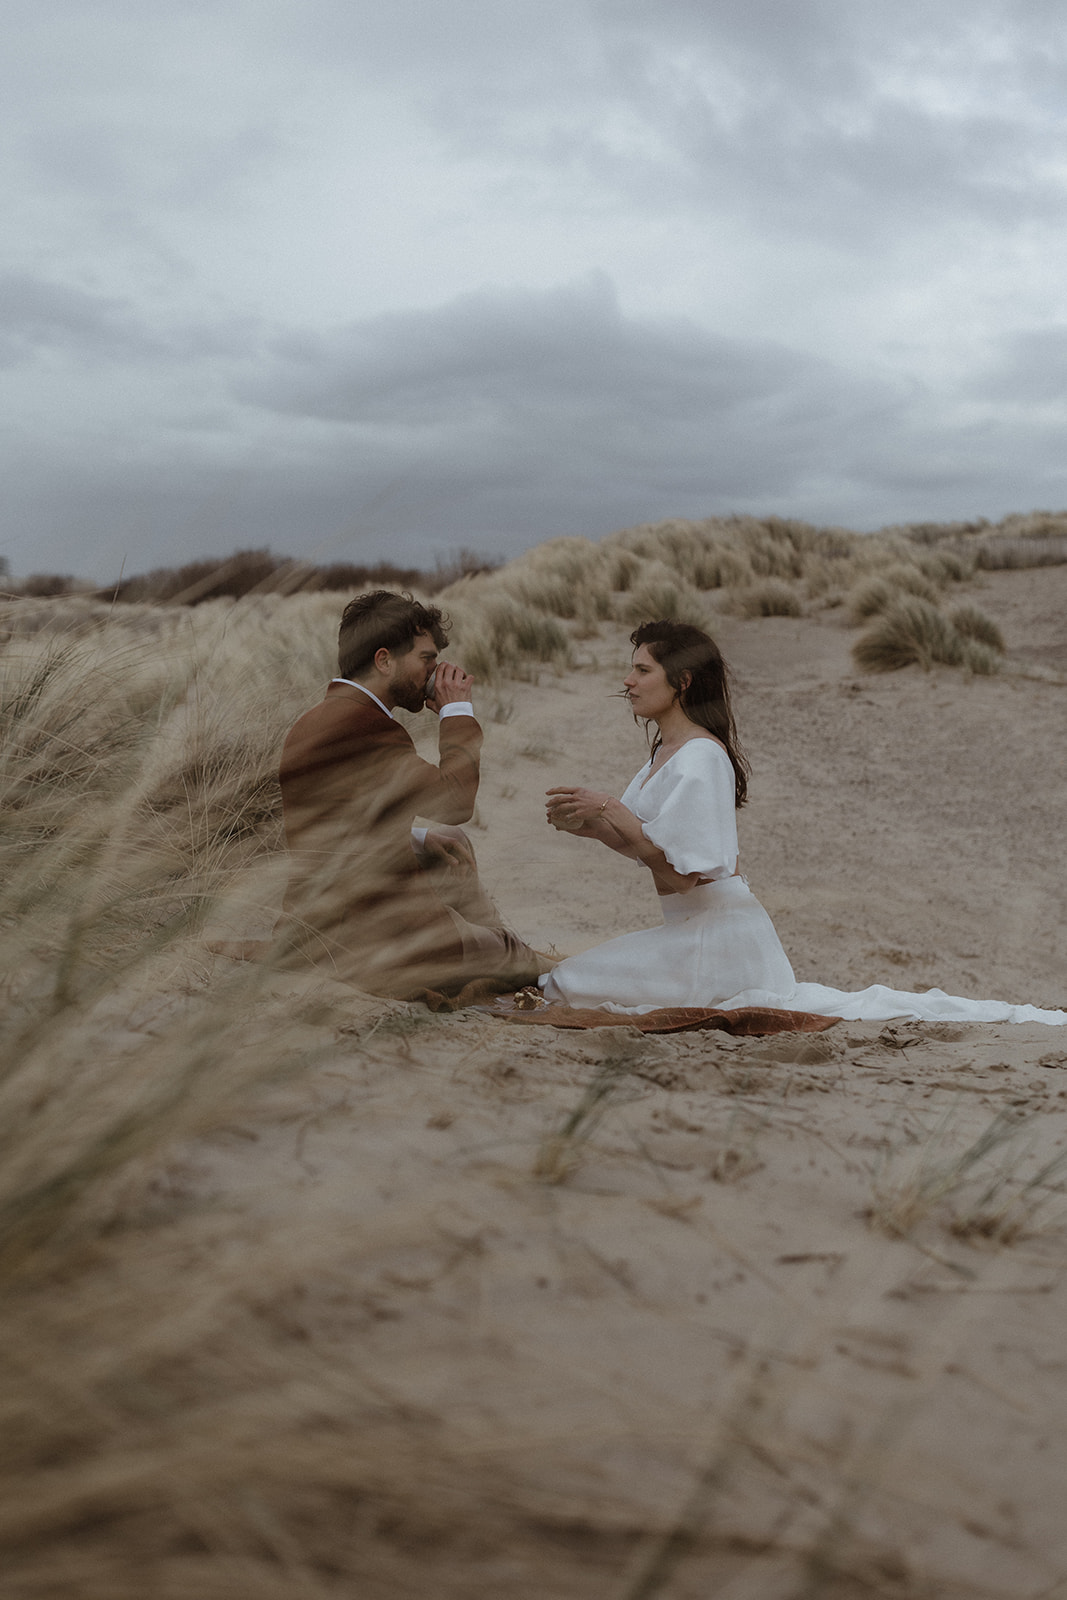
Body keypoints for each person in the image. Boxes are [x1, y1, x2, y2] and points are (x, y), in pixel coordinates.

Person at [540, 619, 1066, 1026]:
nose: (627, 681)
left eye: (642, 670)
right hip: (692, 936)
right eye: (630, 669)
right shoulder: (665, 753)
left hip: (719, 944)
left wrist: (609, 808)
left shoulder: (700, 757)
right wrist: (588, 824)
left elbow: (681, 875)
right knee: (565, 983)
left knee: (566, 985)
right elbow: (645, 843)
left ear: (682, 681)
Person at [279, 590, 541, 998]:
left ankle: (483, 938)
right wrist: (457, 713)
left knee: (450, 843)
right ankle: (497, 946)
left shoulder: (319, 718)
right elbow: (455, 803)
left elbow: (339, 821)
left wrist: (414, 837)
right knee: (518, 956)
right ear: (384, 660)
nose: (434, 674)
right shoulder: (366, 728)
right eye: (426, 660)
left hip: (321, 917)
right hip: (373, 938)